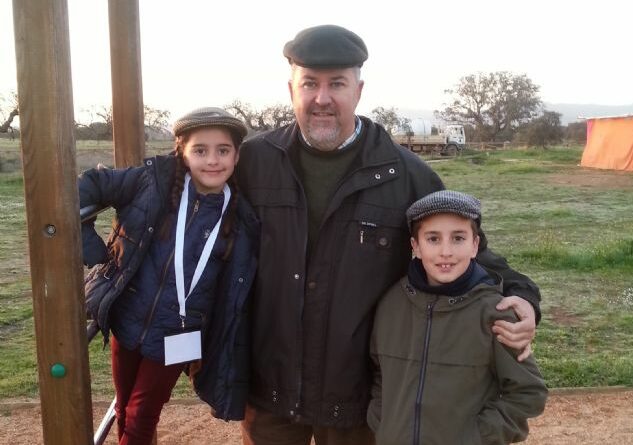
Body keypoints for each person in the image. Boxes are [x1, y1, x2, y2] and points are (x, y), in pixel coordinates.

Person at [235, 24, 542, 444]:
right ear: (291, 90)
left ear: (358, 91)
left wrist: (523, 297)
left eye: (337, 84)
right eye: (309, 83)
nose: (322, 98)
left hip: (357, 399)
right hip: (270, 391)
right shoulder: (252, 163)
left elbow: (469, 251)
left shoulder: (407, 175)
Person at [79, 107, 259, 444]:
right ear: (182, 151)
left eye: (223, 150)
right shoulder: (152, 184)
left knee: (143, 412)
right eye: (200, 150)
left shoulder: (242, 219)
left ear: (236, 156)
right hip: (128, 318)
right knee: (124, 406)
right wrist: (90, 246)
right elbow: (89, 184)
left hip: (180, 334)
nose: (212, 160)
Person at [367, 190, 548, 445]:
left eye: (458, 238)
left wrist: (478, 436)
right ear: (415, 246)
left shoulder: (494, 312)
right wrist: (382, 421)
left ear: (474, 245)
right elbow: (379, 374)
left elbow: (528, 392)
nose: (446, 251)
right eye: (433, 239)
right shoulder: (391, 304)